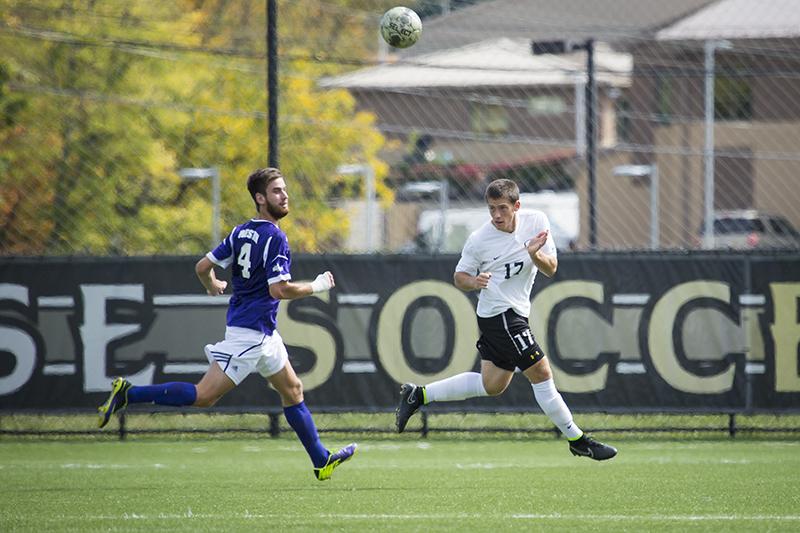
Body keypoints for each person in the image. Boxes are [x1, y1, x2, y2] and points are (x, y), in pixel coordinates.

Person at [98, 167, 357, 480]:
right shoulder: (275, 237)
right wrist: (317, 286)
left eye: (284, 189)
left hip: (262, 333)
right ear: (260, 198)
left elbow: (202, 266)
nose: (284, 195)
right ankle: (129, 393)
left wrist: (211, 284)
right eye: (276, 191)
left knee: (293, 389)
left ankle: (321, 460)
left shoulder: (240, 232)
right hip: (248, 336)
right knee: (204, 396)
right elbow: (280, 290)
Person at [395, 178, 616, 461]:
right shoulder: (479, 240)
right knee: (541, 372)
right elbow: (459, 277)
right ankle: (578, 438)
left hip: (510, 313)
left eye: (502, 208)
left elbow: (551, 269)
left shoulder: (536, 221)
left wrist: (534, 254)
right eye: (491, 209)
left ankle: (419, 395)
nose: (496, 215)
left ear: (517, 206)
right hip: (500, 314)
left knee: (493, 384)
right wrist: (474, 282)